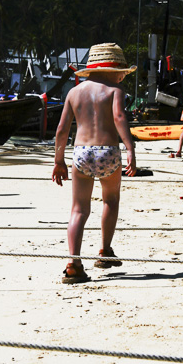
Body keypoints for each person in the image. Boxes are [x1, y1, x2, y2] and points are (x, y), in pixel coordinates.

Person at [52, 43, 137, 284]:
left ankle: (74, 264)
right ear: (112, 71)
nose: (122, 76)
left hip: (82, 153)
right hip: (108, 151)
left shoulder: (74, 93)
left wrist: (59, 161)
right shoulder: (115, 90)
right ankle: (105, 251)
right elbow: (119, 117)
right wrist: (130, 148)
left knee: (79, 210)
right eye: (121, 72)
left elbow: (62, 130)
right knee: (110, 200)